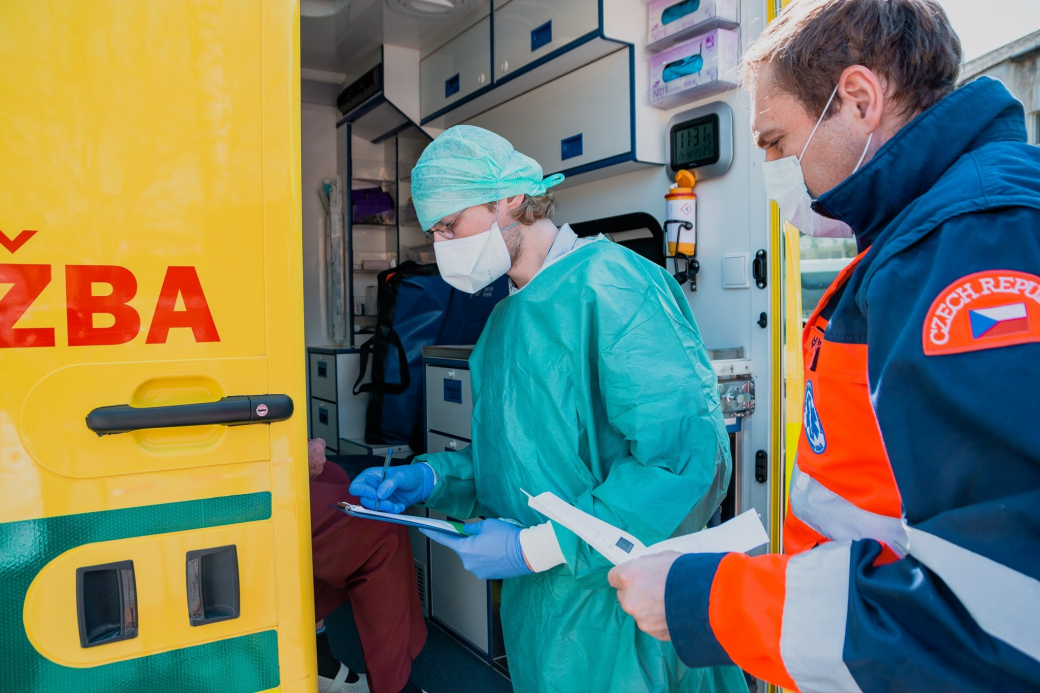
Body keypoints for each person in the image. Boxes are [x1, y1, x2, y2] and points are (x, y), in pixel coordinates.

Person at [608, 0, 1040, 691]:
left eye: (775, 142)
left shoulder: (972, 244)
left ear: (860, 100)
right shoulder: (919, 240)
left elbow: (999, 618)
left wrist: (706, 600)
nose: (774, 168)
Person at [349, 125, 748, 693]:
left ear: (510, 199)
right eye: (435, 232)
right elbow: (519, 464)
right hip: (542, 612)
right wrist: (431, 478)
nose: (443, 246)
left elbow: (680, 461)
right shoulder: (504, 323)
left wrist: (535, 546)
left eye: (449, 225)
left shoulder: (613, 287)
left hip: (625, 609)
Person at [307, 438, 427, 693]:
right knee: (381, 528)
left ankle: (316, 659)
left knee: (333, 473)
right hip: (228, 486)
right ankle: (392, 686)